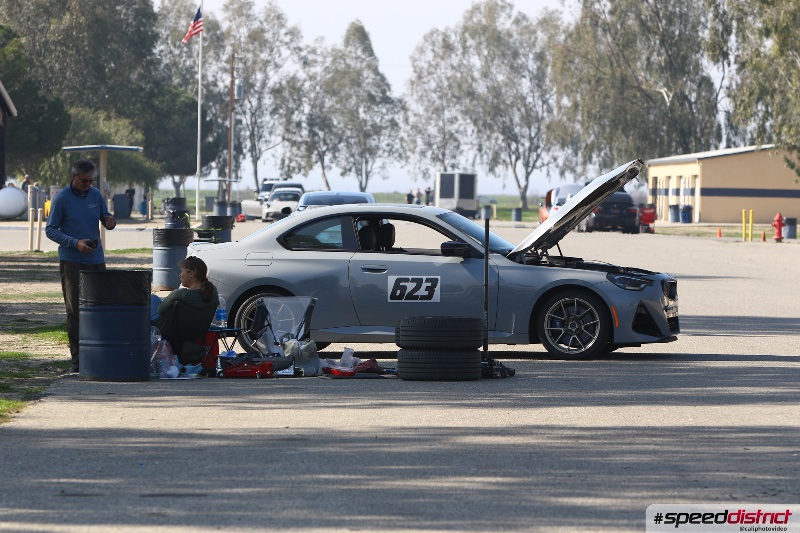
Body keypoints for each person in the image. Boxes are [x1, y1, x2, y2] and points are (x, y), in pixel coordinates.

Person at [45, 159, 116, 373]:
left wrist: (110, 222)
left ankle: (100, 354)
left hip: (96, 260)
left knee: (100, 309)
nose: (87, 184)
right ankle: (78, 360)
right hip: (72, 261)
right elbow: (51, 230)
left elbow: (105, 219)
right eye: (84, 181)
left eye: (90, 181)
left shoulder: (96, 195)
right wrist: (74, 243)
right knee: (75, 311)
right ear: (73, 177)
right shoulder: (61, 199)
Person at [150, 256, 218, 365]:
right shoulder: (213, 292)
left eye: (182, 271)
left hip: (166, 331)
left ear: (191, 273)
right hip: (196, 333)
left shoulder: (180, 294)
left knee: (153, 298)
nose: (180, 275)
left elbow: (161, 310)